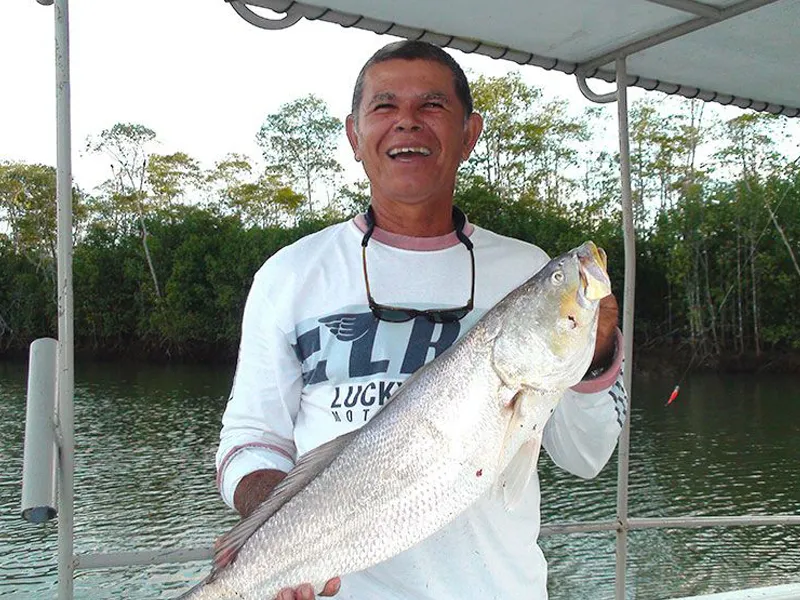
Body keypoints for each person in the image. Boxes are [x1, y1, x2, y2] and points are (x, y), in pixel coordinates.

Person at [216, 40, 627, 600]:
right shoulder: (289, 274)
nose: (407, 122)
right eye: (384, 107)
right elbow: (251, 438)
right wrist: (283, 532)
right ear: (354, 136)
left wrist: (596, 353)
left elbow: (586, 457)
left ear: (469, 133)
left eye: (432, 105)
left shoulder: (526, 270)